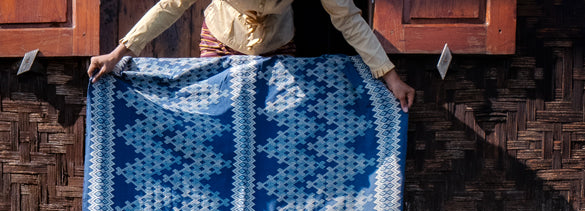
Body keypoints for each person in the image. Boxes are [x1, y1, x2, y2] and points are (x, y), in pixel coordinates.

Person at [88, 0, 415, 111]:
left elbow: (347, 19)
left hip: (278, 44)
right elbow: (171, 6)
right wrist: (118, 54)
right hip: (221, 39)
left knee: (276, 121)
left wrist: (390, 76)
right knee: (216, 116)